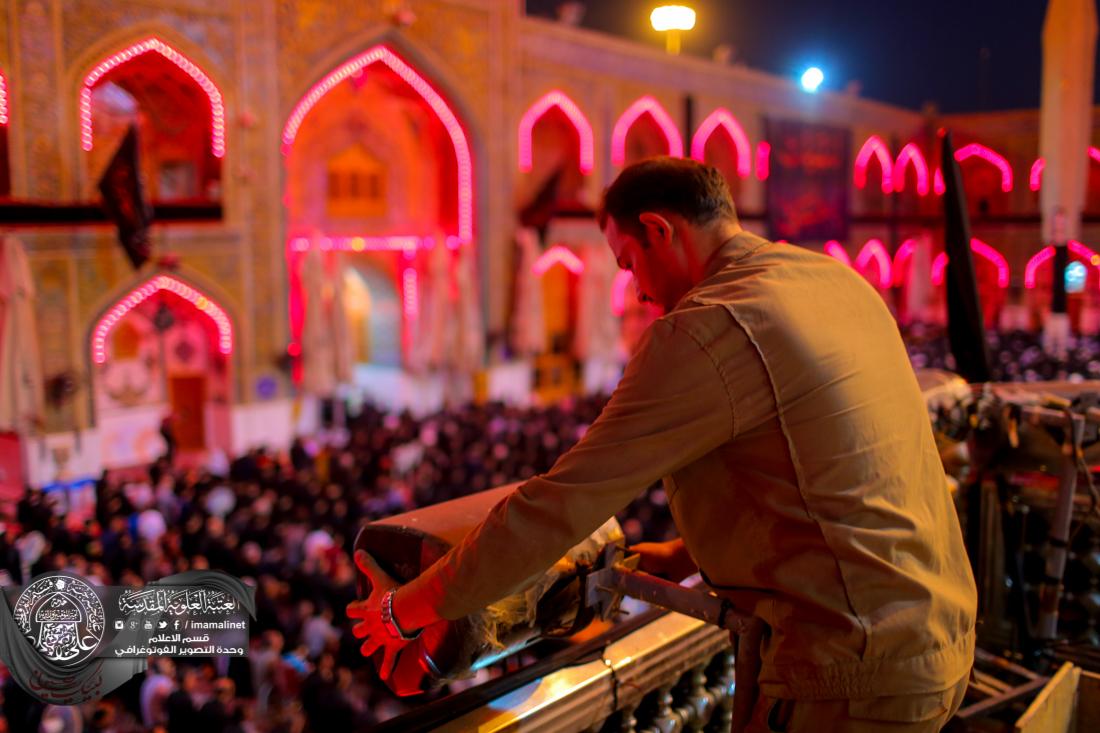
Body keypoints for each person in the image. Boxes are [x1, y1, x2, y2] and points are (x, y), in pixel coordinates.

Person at [347, 157, 977, 732]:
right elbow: (847, 461)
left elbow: (561, 503)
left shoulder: (709, 326)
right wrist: (691, 552)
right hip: (940, 634)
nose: (638, 291)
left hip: (853, 675)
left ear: (658, 229)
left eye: (628, 263)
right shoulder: (832, 280)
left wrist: (404, 609)